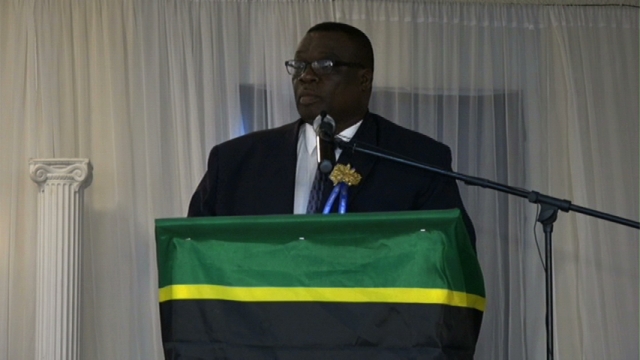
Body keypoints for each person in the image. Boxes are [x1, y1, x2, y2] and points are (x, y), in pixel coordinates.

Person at [188, 21, 475, 246]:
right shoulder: (234, 162)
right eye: (299, 66)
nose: (307, 76)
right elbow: (195, 256)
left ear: (364, 79)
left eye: (325, 65)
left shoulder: (418, 161)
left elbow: (450, 267)